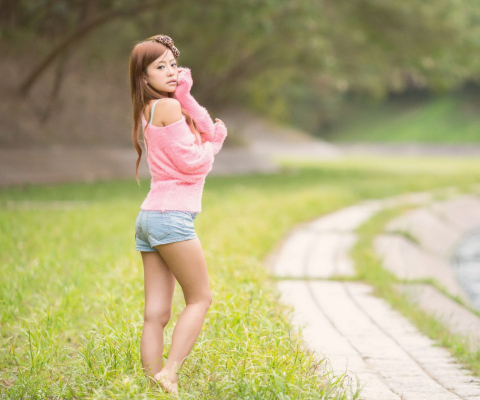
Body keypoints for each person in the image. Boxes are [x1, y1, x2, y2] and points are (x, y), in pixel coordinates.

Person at [128, 34, 228, 396]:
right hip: (171, 216)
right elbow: (194, 163)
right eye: (160, 67)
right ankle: (169, 373)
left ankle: (152, 383)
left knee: (156, 313)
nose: (171, 72)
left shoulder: (151, 109)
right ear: (144, 76)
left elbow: (194, 132)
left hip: (149, 218)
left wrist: (185, 95)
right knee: (200, 299)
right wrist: (215, 142)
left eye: (173, 64)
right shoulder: (168, 109)